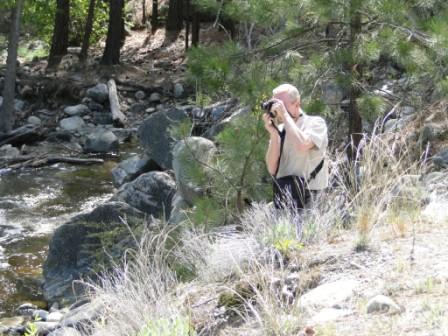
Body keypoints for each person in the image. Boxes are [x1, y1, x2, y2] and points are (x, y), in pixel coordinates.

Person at [263, 83, 329, 211]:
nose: (277, 108)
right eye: (275, 103)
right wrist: (273, 134)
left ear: (297, 103)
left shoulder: (315, 123)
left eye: (281, 104)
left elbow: (302, 145)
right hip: (285, 194)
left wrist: (285, 116)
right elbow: (271, 168)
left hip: (310, 197)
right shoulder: (280, 129)